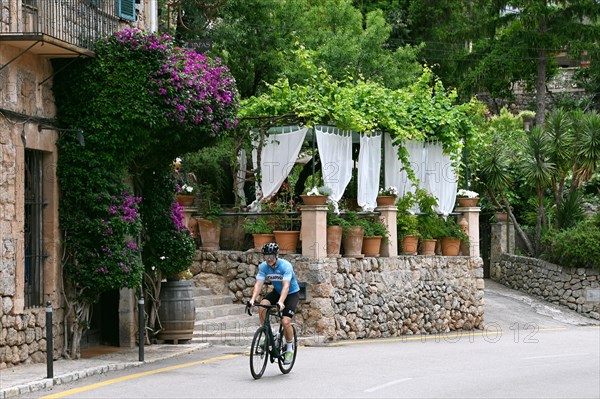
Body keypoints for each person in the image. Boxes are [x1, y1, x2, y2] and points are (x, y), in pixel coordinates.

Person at [249, 242, 300, 364]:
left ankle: (289, 348)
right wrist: (252, 299)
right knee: (262, 306)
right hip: (277, 291)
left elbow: (286, 286)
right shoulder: (263, 267)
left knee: (285, 321)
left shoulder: (285, 266)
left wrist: (281, 302)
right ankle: (268, 335)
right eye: (266, 256)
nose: (269, 259)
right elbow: (259, 284)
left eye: (271, 256)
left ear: (276, 255)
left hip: (291, 293)